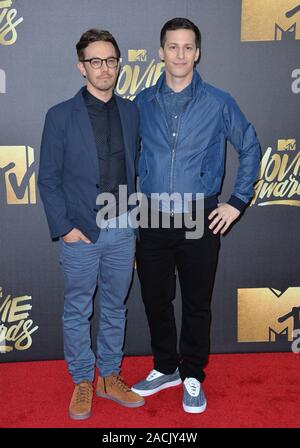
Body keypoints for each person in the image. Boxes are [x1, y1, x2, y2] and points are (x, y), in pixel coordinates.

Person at [131, 18, 261, 413]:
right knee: (155, 298)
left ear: (198, 52)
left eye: (188, 47)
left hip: (200, 215)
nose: (180, 55)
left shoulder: (219, 101)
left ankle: (191, 374)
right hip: (152, 217)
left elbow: (251, 146)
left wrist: (236, 202)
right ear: (161, 52)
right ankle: (165, 366)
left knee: (197, 301)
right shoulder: (141, 102)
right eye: (173, 47)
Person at [38, 28, 144, 420]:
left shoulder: (132, 110)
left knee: (116, 306)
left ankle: (109, 377)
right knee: (78, 309)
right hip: (81, 230)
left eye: (111, 60)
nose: (105, 68)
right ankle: (83, 379)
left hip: (122, 227)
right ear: (81, 66)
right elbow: (47, 178)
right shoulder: (60, 115)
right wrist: (65, 227)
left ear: (118, 63)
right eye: (96, 61)